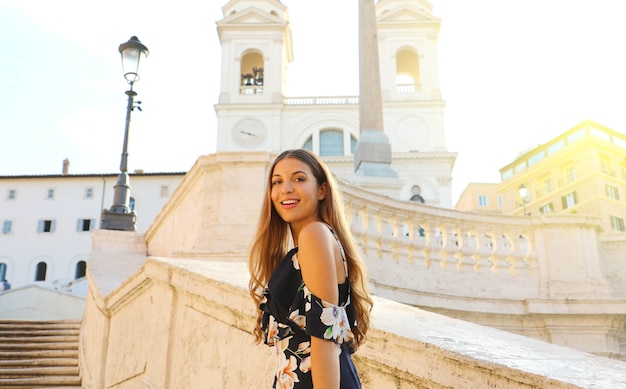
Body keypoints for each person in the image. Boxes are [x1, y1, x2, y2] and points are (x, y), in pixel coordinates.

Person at [248, 149, 373, 389]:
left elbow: (325, 337)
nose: (286, 188)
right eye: (277, 181)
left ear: (322, 190)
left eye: (299, 179)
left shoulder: (314, 235)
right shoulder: (311, 240)